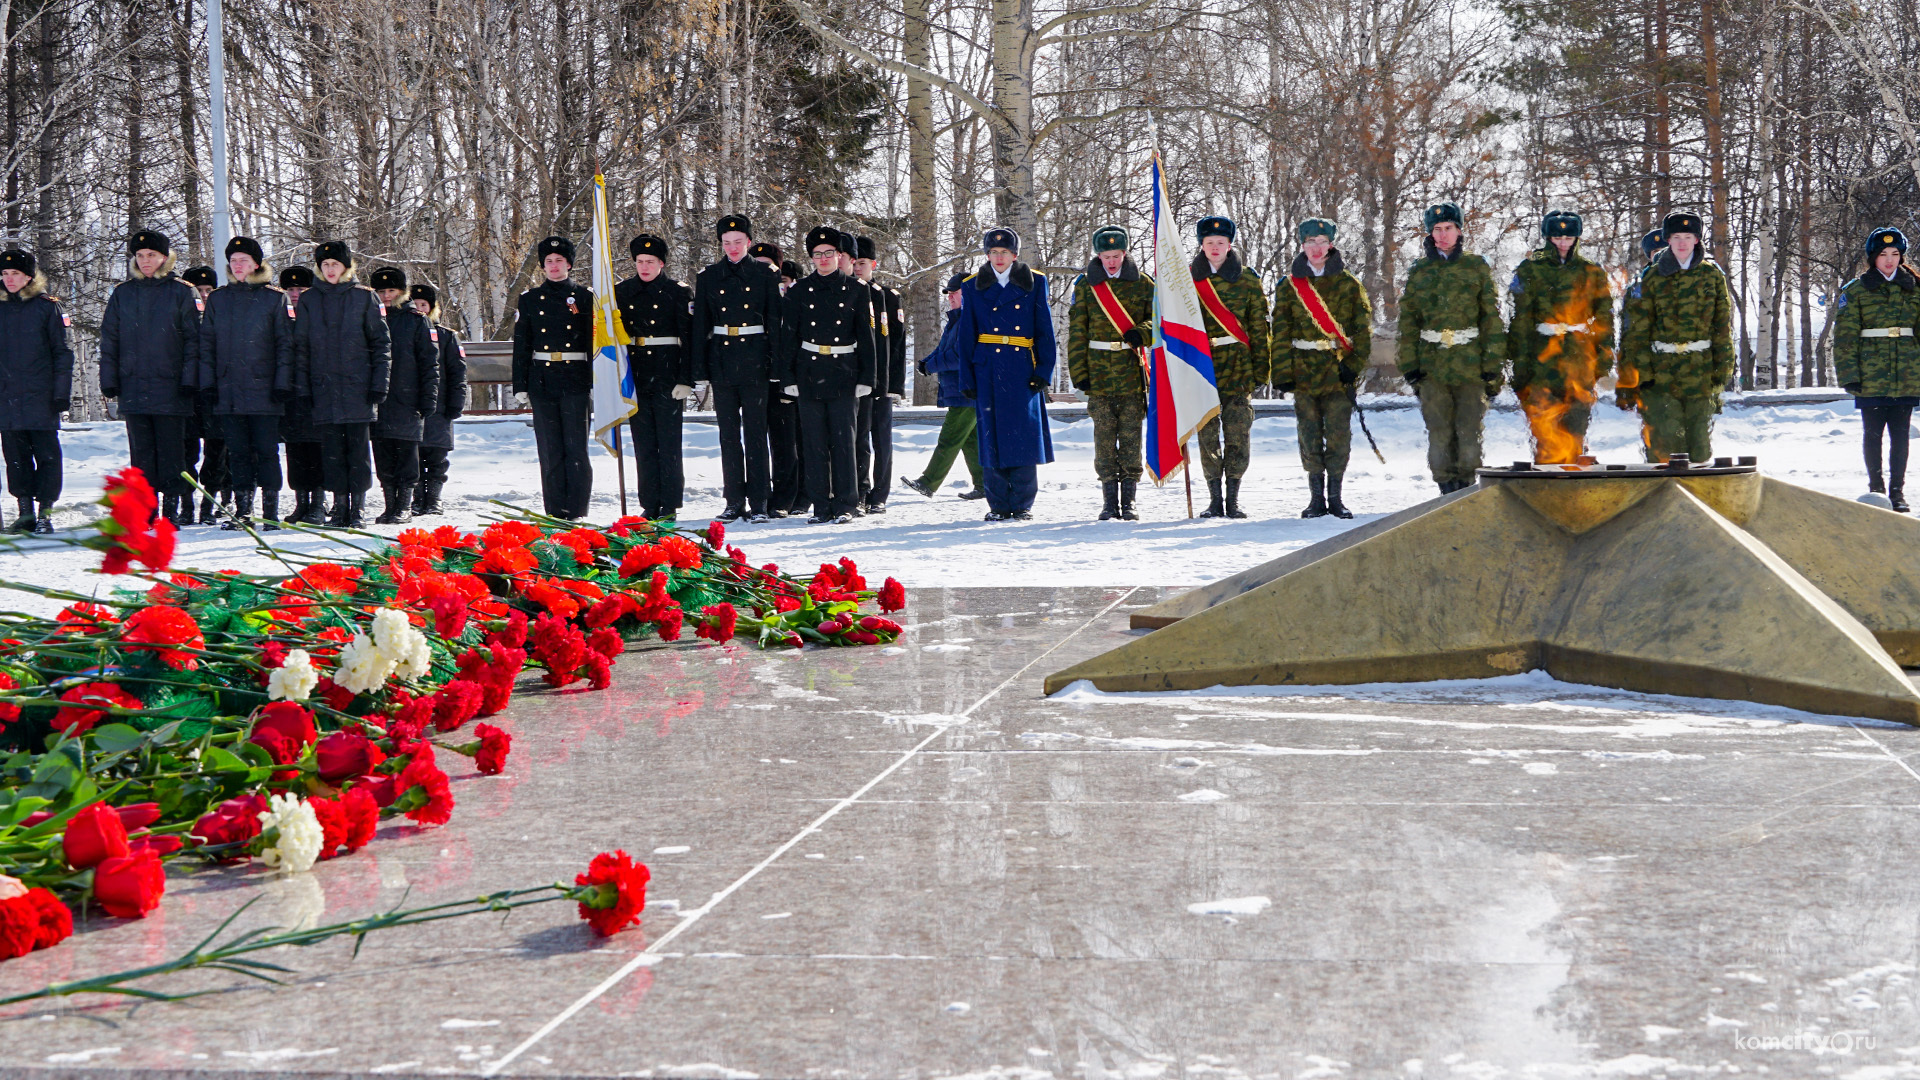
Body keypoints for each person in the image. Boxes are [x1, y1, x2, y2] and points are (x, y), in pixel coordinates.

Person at [1398, 202, 1507, 494]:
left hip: (1469, 363)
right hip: (1432, 365)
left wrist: (1492, 367)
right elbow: (1408, 323)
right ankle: (1446, 491)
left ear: (1459, 230)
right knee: (1440, 434)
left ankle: (1467, 490)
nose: (1443, 234)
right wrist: (1410, 368)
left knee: (1469, 434)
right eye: (1437, 229)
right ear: (1430, 233)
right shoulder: (1420, 271)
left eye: (1449, 228)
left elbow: (1491, 320)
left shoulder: (1476, 267)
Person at [99, 229, 202, 528]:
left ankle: (170, 511)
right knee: (141, 455)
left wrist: (189, 380)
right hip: (134, 387)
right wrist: (110, 379)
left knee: (172, 453)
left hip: (172, 388)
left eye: (152, 255)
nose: (145, 261)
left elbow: (194, 342)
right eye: (140, 255)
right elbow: (110, 340)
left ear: (165, 258)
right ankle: (145, 512)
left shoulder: (182, 292)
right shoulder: (123, 293)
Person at [1271, 217, 1371, 519]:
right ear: (1302, 245)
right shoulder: (1290, 286)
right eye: (1310, 242)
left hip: (1336, 369)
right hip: (1303, 370)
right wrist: (1283, 373)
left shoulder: (1349, 284)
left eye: (1321, 242)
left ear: (1331, 244)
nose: (1316, 248)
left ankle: (1336, 498)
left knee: (1339, 434)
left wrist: (1353, 366)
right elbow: (1281, 331)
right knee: (1309, 434)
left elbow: (1363, 330)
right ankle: (1315, 498)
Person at [956, 227, 1055, 521]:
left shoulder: (1035, 282)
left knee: (1022, 435)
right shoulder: (973, 286)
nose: (999, 258)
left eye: (1005, 253)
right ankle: (998, 504)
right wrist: (967, 377)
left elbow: (1044, 330)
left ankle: (1023, 503)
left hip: (1022, 367)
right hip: (987, 368)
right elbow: (966, 335)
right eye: (993, 252)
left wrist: (1043, 370)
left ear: (1015, 255)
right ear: (987, 255)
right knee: (992, 436)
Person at [778, 226, 876, 524]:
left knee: (845, 441)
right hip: (808, 372)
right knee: (814, 443)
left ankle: (846, 503)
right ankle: (821, 504)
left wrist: (867, 379)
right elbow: (789, 338)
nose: (823, 259)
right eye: (817, 254)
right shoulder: (799, 291)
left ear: (840, 255)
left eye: (829, 253)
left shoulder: (857, 289)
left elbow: (866, 338)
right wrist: (788, 378)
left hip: (844, 372)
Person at [1618, 211, 1734, 464]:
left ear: (1697, 240)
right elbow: (1637, 331)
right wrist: (1642, 376)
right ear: (1667, 240)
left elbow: (1722, 326)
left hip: (1700, 371)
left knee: (1699, 446)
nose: (1682, 242)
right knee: (1664, 444)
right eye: (1676, 236)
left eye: (1688, 236)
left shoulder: (1711, 276)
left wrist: (1722, 370)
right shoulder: (1651, 277)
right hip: (1661, 373)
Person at [196, 235, 293, 530]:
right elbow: (207, 345)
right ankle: (243, 511)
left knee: (266, 452)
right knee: (237, 453)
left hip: (265, 392)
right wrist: (209, 384)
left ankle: (270, 512)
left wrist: (282, 384)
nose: (238, 266)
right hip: (230, 392)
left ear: (256, 264)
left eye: (244, 261)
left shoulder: (275, 299)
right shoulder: (219, 299)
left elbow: (285, 346)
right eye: (234, 261)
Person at [691, 214, 782, 523]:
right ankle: (733, 501)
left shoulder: (765, 273)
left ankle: (759, 503)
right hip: (722, 360)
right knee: (728, 436)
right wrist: (699, 367)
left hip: (755, 360)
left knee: (756, 434)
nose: (732, 248)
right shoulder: (709, 276)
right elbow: (701, 323)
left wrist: (776, 364)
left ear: (749, 243)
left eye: (738, 242)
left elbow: (774, 322)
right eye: (726, 243)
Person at [292, 241, 390, 527]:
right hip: (323, 388)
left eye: (335, 264)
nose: (330, 269)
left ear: (346, 266)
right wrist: (303, 387)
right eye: (325, 265)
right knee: (332, 452)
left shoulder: (364, 297)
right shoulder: (311, 299)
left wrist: (379, 383)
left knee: (358, 452)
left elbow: (381, 344)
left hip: (358, 388)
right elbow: (302, 346)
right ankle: (339, 507)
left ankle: (357, 509)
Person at [1507, 210, 1615, 461]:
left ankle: (1575, 484)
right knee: (1545, 433)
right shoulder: (1531, 269)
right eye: (1557, 237)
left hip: (1579, 357)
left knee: (1576, 428)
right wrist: (1519, 364)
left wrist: (1603, 358)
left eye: (1568, 237)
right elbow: (1521, 320)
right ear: (1548, 238)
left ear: (1577, 238)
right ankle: (1545, 488)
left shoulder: (1591, 272)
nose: (1563, 243)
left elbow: (1604, 319)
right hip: (1542, 358)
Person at [1066, 225, 1152, 520]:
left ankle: (1128, 502)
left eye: (1116, 255)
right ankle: (1108, 502)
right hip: (1098, 372)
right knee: (1104, 439)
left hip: (1131, 372)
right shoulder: (1085, 285)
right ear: (1098, 256)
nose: (1112, 262)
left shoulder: (1143, 284)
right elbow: (1077, 333)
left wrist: (1143, 332)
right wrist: (1079, 373)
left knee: (1131, 438)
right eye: (1106, 256)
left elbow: (1159, 320)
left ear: (1125, 253)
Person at [1190, 216, 1271, 518]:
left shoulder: (1248, 279)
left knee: (1238, 433)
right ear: (1202, 245)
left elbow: (1259, 329)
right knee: (1207, 434)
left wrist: (1261, 370)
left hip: (1238, 365)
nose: (1214, 248)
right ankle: (1214, 498)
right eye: (1209, 243)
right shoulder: (1186, 281)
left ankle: (1233, 497)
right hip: (1202, 366)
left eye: (1220, 243)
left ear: (1229, 245)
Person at [1836, 227, 1920, 512]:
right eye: (1883, 254)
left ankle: (1897, 493)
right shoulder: (1856, 291)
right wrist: (1849, 375)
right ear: (1873, 257)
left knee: (1900, 435)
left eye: (1895, 254)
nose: (1889, 260)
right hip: (1871, 373)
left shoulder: (1915, 288)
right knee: (1873, 434)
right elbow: (1845, 337)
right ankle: (1877, 490)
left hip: (1907, 372)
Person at [511, 235, 595, 520]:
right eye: (549, 261)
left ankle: (578, 509)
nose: (554, 266)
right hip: (543, 380)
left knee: (576, 447)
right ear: (543, 266)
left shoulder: (585, 297)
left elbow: (593, 341)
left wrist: (597, 381)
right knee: (550, 448)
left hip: (575, 377)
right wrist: (520, 383)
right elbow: (522, 343)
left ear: (569, 264)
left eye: (559, 261)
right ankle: (555, 510)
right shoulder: (530, 299)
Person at [615, 233, 694, 521]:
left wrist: (686, 379)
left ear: (661, 263)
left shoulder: (677, 292)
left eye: (650, 261)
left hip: (668, 373)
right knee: (643, 441)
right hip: (636, 374)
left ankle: (670, 503)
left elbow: (688, 337)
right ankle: (649, 502)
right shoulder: (622, 292)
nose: (644, 266)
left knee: (669, 442)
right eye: (639, 261)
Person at [0, 248, 71, 533]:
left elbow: (62, 354)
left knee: (47, 456)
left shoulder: (47, 307)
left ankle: (45, 514)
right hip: (7, 396)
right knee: (15, 458)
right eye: (4, 274)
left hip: (41, 396)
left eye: (15, 273)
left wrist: (60, 393)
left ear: (29, 276)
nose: (9, 279)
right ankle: (25, 511)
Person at [901, 273, 986, 502]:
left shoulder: (971, 320)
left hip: (967, 390)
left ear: (968, 293)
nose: (950, 297)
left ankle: (928, 482)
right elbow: (943, 350)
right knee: (971, 440)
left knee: (949, 439)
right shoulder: (957, 320)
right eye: (948, 293)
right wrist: (927, 362)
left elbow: (960, 356)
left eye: (954, 292)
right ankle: (985, 484)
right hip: (961, 390)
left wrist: (931, 365)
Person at [367, 266, 439, 524]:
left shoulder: (416, 320)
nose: (386, 296)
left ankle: (404, 505)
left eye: (391, 290)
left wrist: (429, 396)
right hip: (378, 399)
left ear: (402, 291)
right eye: (381, 291)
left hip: (407, 398)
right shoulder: (370, 318)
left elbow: (430, 363)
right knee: (383, 455)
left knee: (407, 455)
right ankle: (389, 504)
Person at [852, 235, 905, 514]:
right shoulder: (848, 292)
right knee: (859, 439)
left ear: (873, 264)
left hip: (882, 381)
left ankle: (880, 493)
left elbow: (896, 344)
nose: (858, 268)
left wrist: (894, 384)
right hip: (858, 380)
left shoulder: (887, 296)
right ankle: (860, 491)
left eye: (863, 263)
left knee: (881, 440)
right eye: (854, 262)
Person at [753, 241, 803, 517]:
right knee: (758, 442)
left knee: (787, 443)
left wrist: (787, 378)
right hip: (755, 380)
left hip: (783, 381)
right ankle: (763, 496)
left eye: (769, 267)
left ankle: (787, 497)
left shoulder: (791, 300)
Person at [410, 282, 468, 517]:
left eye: (424, 305)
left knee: (436, 457)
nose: (420, 309)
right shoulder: (402, 334)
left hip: (441, 406)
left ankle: (433, 498)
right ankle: (417, 498)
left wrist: (456, 402)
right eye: (415, 305)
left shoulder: (446, 336)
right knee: (412, 456)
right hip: (412, 406)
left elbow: (458, 372)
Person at [180, 264, 230, 523]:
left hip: (214, 393)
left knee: (217, 453)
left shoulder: (224, 316)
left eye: (208, 289)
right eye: (198, 290)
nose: (203, 294)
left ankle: (211, 503)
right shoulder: (177, 317)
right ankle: (187, 503)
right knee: (186, 453)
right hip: (187, 394)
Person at [277, 265, 325, 525]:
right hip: (289, 393)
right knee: (295, 451)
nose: (295, 294)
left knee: (316, 450)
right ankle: (301, 502)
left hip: (315, 392)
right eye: (290, 289)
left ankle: (318, 502)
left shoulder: (319, 314)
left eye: (301, 289)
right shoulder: (278, 315)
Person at [1612, 228, 1666, 423]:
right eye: (1655, 252)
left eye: (1664, 250)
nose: (1660, 256)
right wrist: (1625, 387)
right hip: (1645, 366)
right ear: (1649, 256)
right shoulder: (1637, 287)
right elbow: (1627, 335)